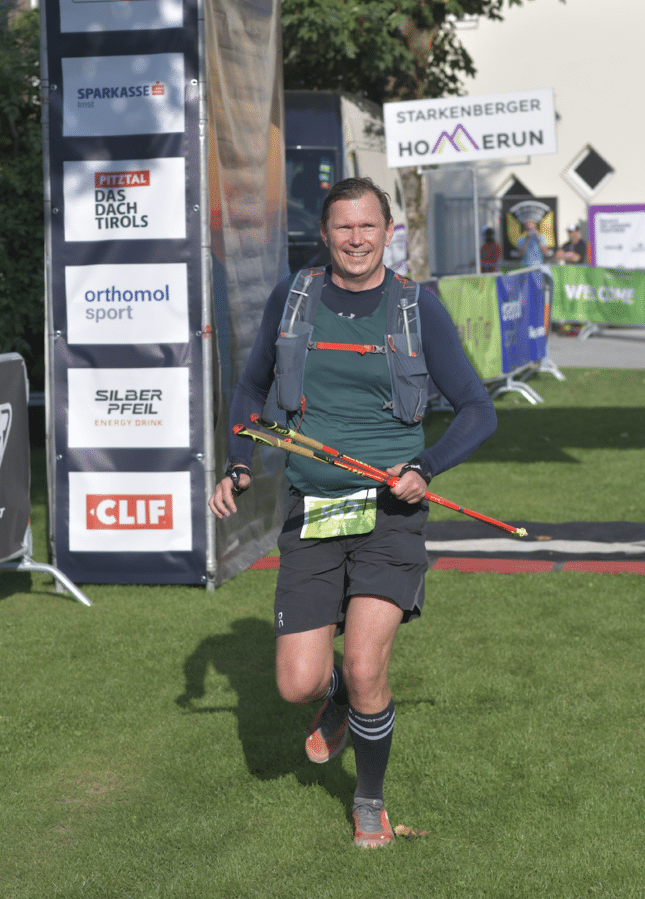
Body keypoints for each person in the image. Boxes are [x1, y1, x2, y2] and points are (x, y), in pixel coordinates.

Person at [209, 177, 497, 848]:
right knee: (296, 683)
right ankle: (332, 695)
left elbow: (477, 410)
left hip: (388, 514)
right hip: (312, 509)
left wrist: (424, 468)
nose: (357, 239)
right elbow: (253, 388)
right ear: (326, 234)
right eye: (343, 228)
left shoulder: (415, 307)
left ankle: (369, 798)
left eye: (369, 227)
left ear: (389, 232)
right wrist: (241, 462)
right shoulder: (296, 295)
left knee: (369, 666)